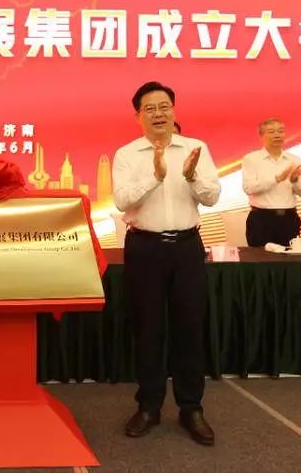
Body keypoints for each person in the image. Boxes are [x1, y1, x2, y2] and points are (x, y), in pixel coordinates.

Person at [112, 81, 221, 445]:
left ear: (174, 111)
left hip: (187, 247)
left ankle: (191, 408)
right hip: (145, 248)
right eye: (150, 108)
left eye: (164, 107)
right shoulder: (127, 154)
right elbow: (122, 201)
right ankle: (149, 406)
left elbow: (212, 197)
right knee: (148, 329)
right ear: (138, 116)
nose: (158, 114)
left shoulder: (195, 149)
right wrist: (155, 176)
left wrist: (191, 176)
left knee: (190, 327)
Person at [241, 118, 301, 247]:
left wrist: (295, 181)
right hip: (262, 220)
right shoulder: (251, 159)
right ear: (261, 135)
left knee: (290, 257)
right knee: (261, 257)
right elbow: (249, 188)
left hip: (289, 219)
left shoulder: (294, 159)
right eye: (272, 132)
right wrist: (276, 179)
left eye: (280, 131)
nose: (277, 135)